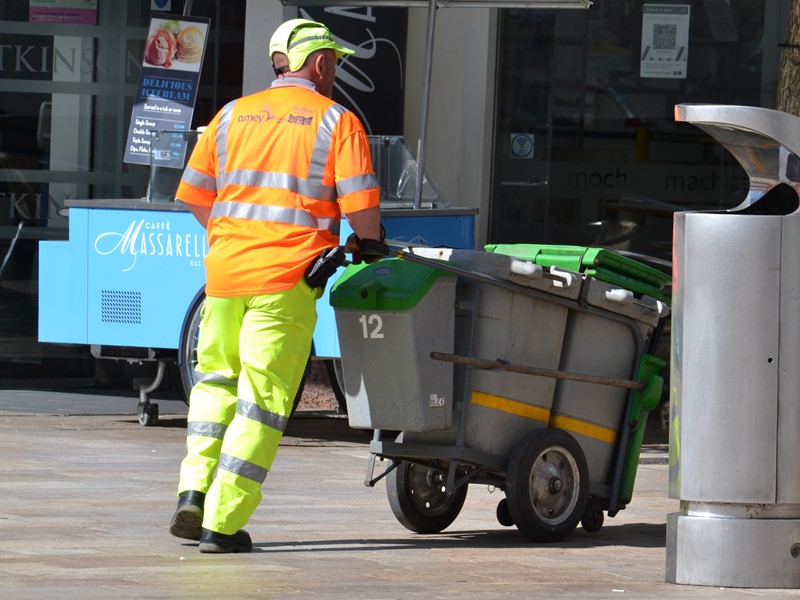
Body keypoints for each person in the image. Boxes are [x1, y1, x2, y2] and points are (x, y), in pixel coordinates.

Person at [169, 18, 386, 554]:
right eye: (334, 62)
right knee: (262, 399)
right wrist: (370, 243)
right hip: (286, 281)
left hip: (222, 278)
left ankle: (192, 493)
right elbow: (363, 213)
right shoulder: (338, 121)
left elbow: (196, 198)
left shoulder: (228, 117)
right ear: (318, 63)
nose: (336, 71)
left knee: (215, 383)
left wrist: (233, 239)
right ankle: (222, 522)